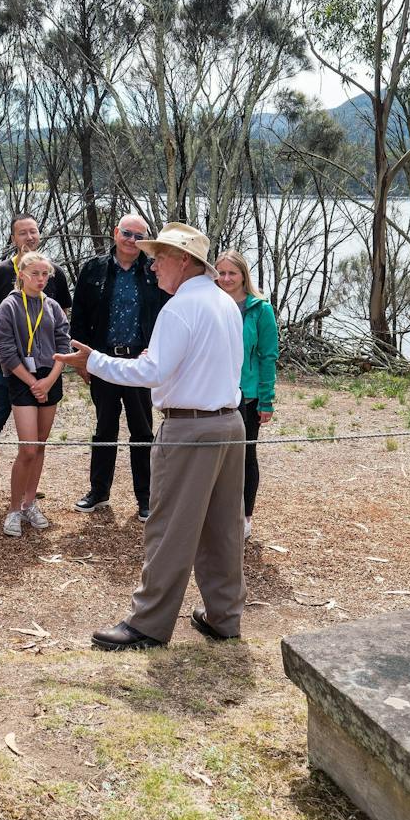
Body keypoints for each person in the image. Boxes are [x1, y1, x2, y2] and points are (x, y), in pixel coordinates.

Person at [57, 223, 246, 650]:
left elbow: (151, 373)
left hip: (190, 428)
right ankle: (224, 615)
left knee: (169, 528)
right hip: (228, 423)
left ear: (185, 262)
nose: (153, 263)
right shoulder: (224, 302)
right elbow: (204, 362)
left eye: (160, 256)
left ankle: (148, 622)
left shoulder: (179, 308)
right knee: (223, 528)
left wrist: (94, 362)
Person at [0, 214, 72, 504]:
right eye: (22, 233)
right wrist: (15, 344)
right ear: (13, 238)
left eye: (33, 231)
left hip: (45, 367)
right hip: (10, 366)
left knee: (36, 439)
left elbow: (62, 315)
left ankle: (27, 488)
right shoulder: (0, 272)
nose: (29, 237)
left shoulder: (55, 273)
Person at [69, 213, 166, 521]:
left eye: (139, 236)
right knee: (104, 428)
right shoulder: (94, 269)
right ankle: (98, 492)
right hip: (104, 360)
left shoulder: (153, 271)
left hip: (140, 361)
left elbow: (166, 316)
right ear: (115, 233)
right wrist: (83, 360)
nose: (131, 240)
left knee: (142, 430)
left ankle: (146, 498)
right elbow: (79, 318)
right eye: (127, 233)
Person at [0, 251, 71, 538]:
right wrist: (31, 381)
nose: (41, 279)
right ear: (21, 275)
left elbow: (63, 345)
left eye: (45, 274)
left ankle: (29, 503)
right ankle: (13, 509)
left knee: (41, 445)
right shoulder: (9, 306)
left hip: (49, 378)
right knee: (28, 448)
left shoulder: (54, 307)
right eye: (35, 274)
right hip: (22, 379)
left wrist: (47, 381)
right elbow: (3, 347)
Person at [215, 249, 278, 536]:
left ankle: (245, 517)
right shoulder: (209, 303)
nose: (227, 279)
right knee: (213, 458)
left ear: (243, 276)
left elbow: (268, 356)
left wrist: (266, 400)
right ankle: (216, 514)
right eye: (222, 273)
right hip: (212, 392)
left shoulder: (259, 309)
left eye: (232, 273)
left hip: (247, 395)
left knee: (244, 456)